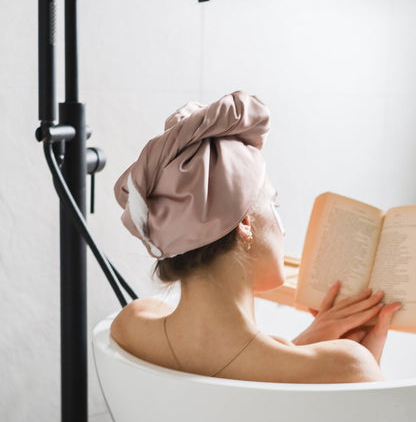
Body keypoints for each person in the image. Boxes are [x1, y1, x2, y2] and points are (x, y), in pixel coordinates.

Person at [110, 91, 402, 383]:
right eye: (274, 206)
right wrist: (360, 370)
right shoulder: (348, 367)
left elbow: (223, 389)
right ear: (244, 224)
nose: (283, 230)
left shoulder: (131, 327)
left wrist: (299, 346)